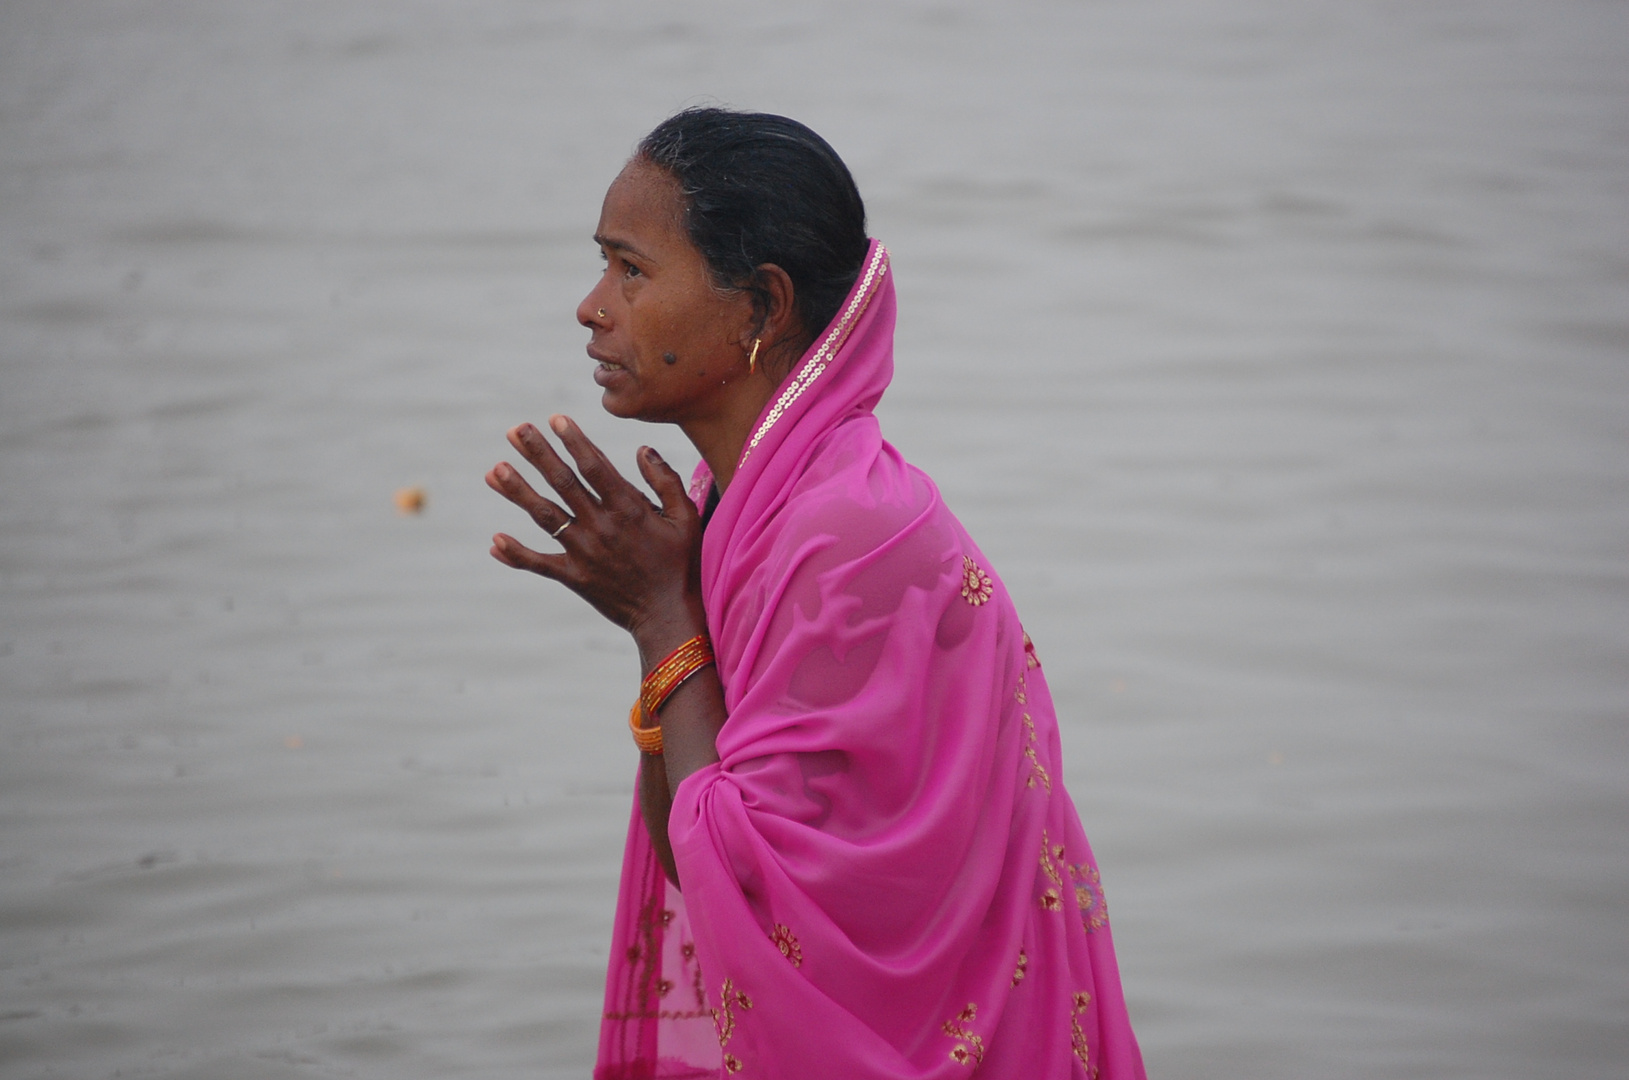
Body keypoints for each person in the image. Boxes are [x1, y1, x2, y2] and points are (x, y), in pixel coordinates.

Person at [486, 107, 1145, 1079]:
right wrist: (663, 612)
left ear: (762, 307)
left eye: (631, 269)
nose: (592, 306)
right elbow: (706, 854)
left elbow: (749, 889)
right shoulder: (738, 500)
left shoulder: (846, 534)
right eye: (602, 265)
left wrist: (662, 618)